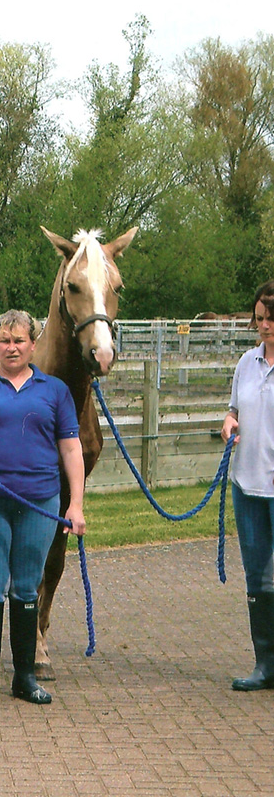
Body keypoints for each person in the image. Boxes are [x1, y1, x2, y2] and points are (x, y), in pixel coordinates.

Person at [0, 309, 87, 706]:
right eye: (4, 340)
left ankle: (24, 677)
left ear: (32, 345)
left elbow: (71, 448)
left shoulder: (54, 391)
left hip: (39, 504)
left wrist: (75, 503)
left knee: (25, 589)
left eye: (19, 341)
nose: (11, 347)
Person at [220, 281, 274, 691]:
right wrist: (229, 423)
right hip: (248, 484)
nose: (265, 326)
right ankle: (264, 663)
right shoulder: (246, 363)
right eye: (259, 318)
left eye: (271, 318)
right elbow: (235, 409)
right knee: (258, 578)